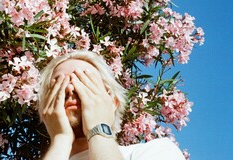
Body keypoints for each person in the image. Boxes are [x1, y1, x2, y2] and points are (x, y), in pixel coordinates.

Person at [38, 50, 185, 160]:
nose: (70, 88)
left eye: (83, 81)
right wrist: (60, 140)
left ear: (112, 103)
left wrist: (99, 128)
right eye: (58, 84)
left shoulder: (156, 151)